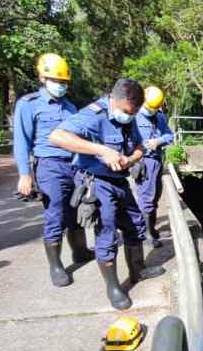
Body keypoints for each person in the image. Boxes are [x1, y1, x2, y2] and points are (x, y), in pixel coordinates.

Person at [49, 78, 164, 310]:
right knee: (107, 233)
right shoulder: (94, 115)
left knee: (136, 224)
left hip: (120, 181)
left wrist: (130, 158)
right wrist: (102, 150)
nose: (129, 117)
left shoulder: (129, 118)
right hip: (97, 182)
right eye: (126, 112)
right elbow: (57, 136)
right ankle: (113, 288)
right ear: (114, 100)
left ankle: (137, 270)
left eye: (133, 113)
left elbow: (140, 146)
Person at [13, 53, 94, 287]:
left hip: (74, 165)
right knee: (55, 213)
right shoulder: (28, 105)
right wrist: (25, 174)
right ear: (42, 78)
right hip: (49, 166)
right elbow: (22, 141)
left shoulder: (70, 107)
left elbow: (78, 138)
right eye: (56, 81)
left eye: (64, 82)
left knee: (76, 210)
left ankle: (79, 251)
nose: (61, 86)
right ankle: (56, 265)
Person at [135, 85, 174, 248]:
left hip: (157, 159)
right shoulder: (134, 116)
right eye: (149, 107)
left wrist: (158, 141)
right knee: (146, 199)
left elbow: (169, 135)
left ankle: (153, 229)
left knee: (155, 197)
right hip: (143, 162)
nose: (151, 110)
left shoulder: (159, 116)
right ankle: (147, 234)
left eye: (154, 108)